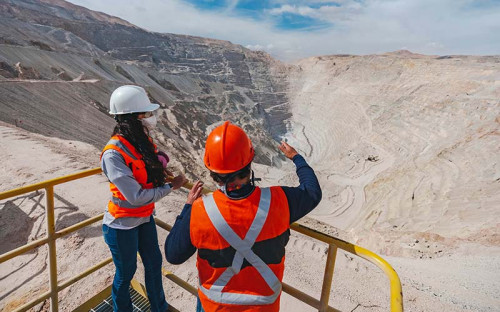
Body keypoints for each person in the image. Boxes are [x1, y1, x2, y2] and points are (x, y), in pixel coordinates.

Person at [165, 121, 322, 312]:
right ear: (249, 163)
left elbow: (173, 254)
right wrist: (296, 157)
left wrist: (188, 207)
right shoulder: (280, 200)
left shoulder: (199, 211)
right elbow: (313, 192)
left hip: (216, 307)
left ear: (213, 173)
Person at [101, 85, 186, 312]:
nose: (150, 118)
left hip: (143, 219)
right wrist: (171, 186)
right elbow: (137, 197)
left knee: (153, 264)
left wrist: (161, 165)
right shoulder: (113, 154)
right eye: (145, 114)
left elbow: (155, 158)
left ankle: (158, 308)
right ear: (131, 118)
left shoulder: (139, 141)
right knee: (125, 273)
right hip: (121, 225)